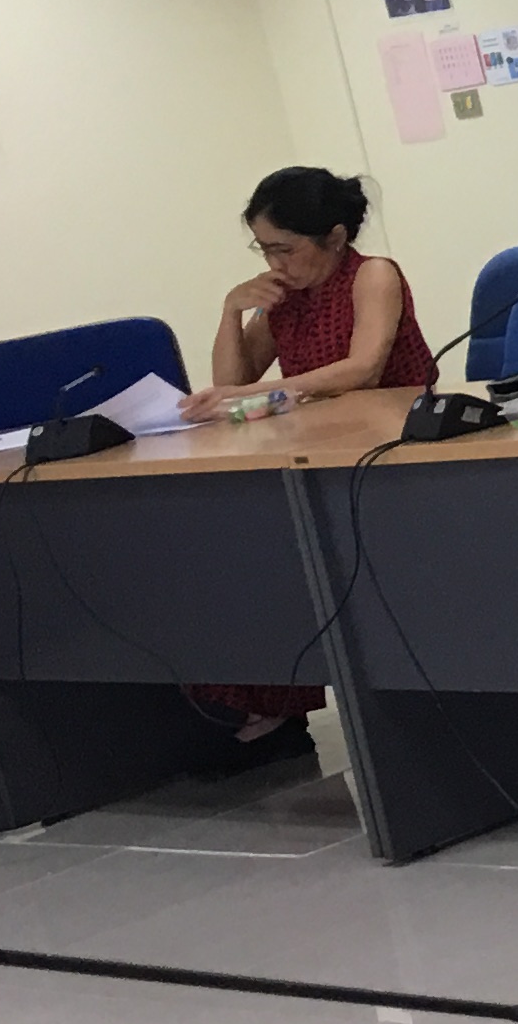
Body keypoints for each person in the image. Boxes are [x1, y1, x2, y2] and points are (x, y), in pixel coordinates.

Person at [183, 168, 437, 776]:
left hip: (388, 458)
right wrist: (232, 310)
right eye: (264, 250)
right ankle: (263, 706)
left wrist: (260, 395)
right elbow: (231, 382)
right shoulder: (285, 297)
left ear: (336, 236)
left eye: (285, 248)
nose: (276, 264)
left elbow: (363, 368)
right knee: (236, 546)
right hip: (312, 457)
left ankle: (273, 707)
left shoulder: (372, 275)